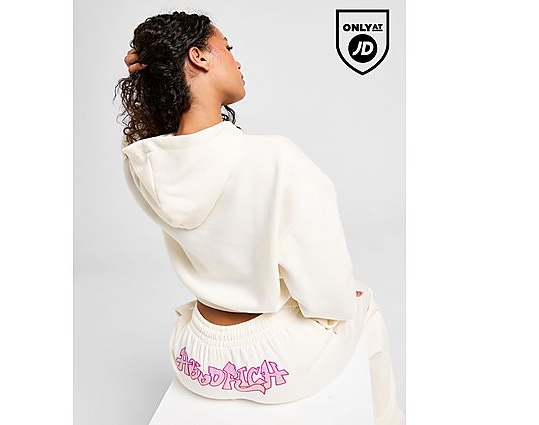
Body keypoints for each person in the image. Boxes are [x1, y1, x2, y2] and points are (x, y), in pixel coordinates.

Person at [114, 11, 403, 425]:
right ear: (198, 57)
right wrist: (344, 301)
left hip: (195, 358)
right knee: (363, 305)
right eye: (227, 48)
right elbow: (328, 295)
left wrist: (152, 83)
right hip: (276, 365)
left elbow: (158, 146)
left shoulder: (143, 165)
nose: (237, 60)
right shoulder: (275, 159)